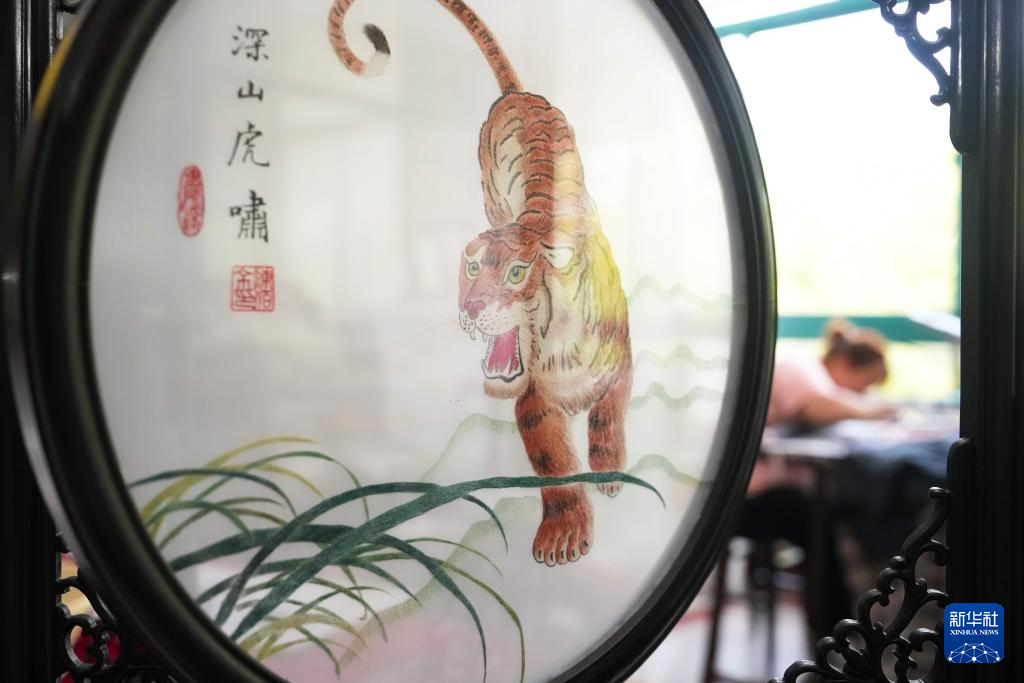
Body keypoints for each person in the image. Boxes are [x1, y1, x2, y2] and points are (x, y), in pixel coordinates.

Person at [737, 320, 895, 638]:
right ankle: (835, 634)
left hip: (763, 490)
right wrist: (873, 410)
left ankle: (843, 627)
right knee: (826, 525)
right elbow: (813, 408)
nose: (862, 394)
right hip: (745, 499)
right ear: (845, 362)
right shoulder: (800, 368)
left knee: (836, 516)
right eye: (864, 385)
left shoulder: (814, 376)